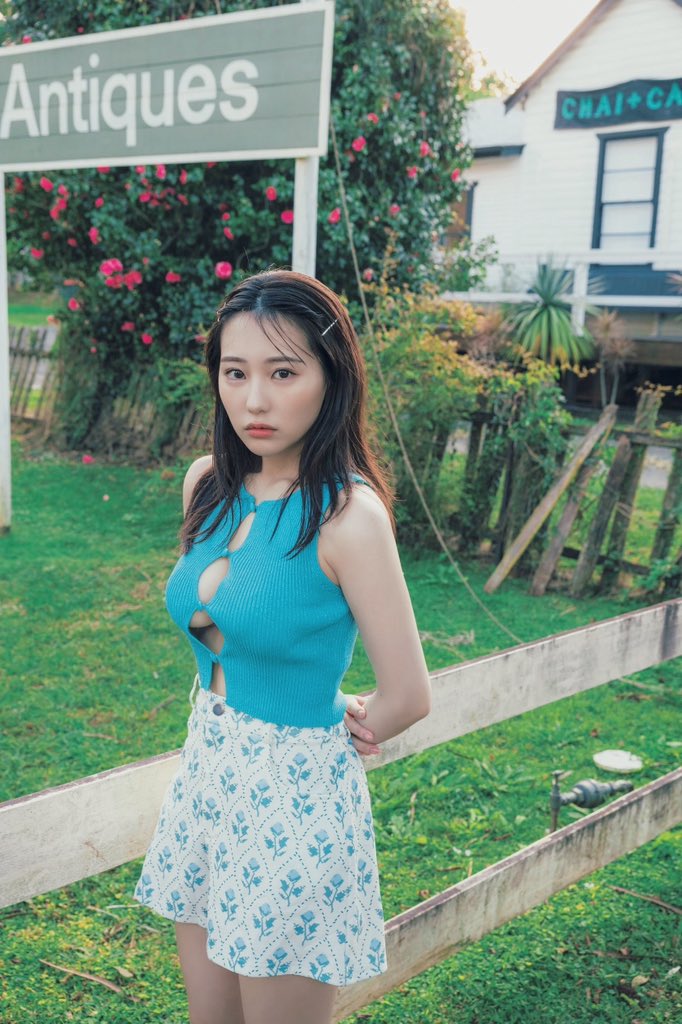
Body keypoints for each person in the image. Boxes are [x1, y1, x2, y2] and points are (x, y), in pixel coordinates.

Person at [133, 269, 432, 1024]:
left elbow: (408, 695)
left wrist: (320, 723)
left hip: (293, 798)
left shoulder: (348, 517)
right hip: (207, 775)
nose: (254, 401)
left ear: (332, 378)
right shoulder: (207, 484)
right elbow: (213, 619)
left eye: (284, 373)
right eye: (236, 373)